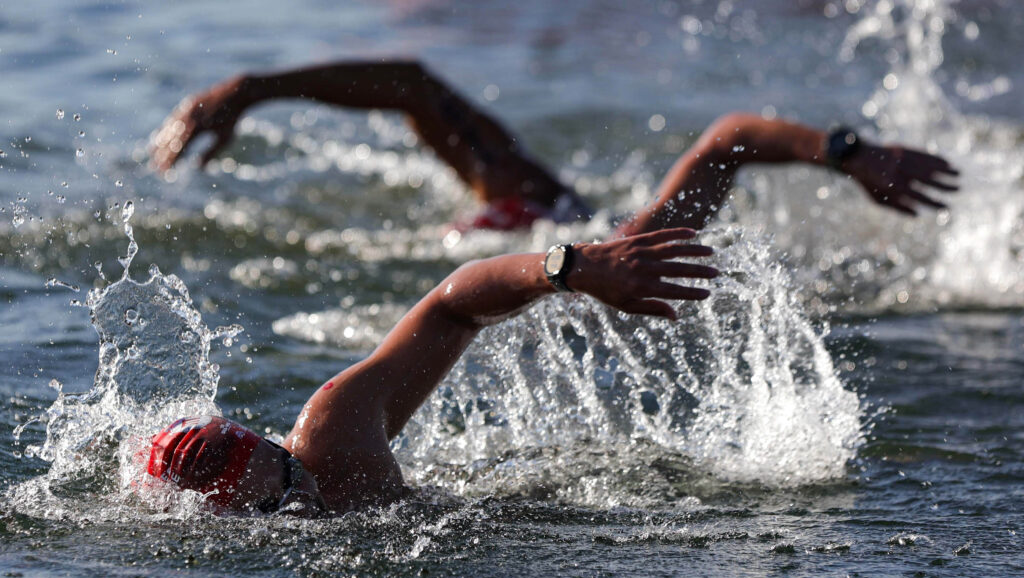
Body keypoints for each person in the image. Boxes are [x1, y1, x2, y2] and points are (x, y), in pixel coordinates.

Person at [141, 228, 718, 516]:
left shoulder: (333, 434)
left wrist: (566, 268)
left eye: (290, 469)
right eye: (278, 502)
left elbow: (450, 308)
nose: (306, 494)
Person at [150, 60, 959, 235]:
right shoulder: (535, 207)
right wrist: (248, 89)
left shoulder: (637, 249)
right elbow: (413, 86)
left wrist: (846, 154)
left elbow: (728, 142)